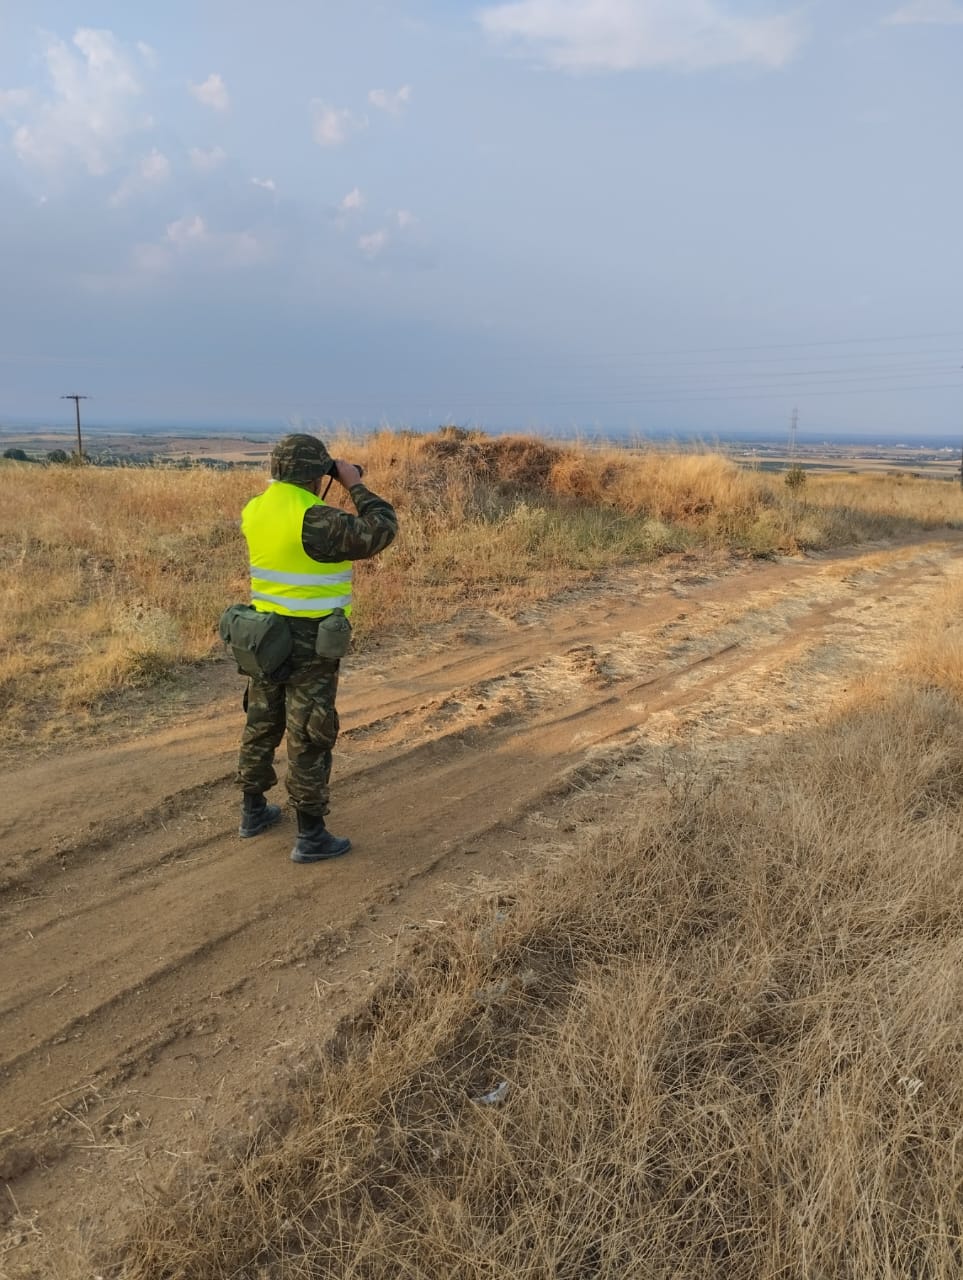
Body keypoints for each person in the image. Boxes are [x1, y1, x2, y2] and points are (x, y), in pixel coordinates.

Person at [234, 433, 398, 863]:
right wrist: (352, 483)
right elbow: (381, 529)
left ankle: (253, 811)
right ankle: (310, 835)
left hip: (262, 633)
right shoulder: (314, 517)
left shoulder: (255, 509)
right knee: (309, 730)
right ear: (316, 472)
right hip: (309, 638)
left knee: (262, 718)